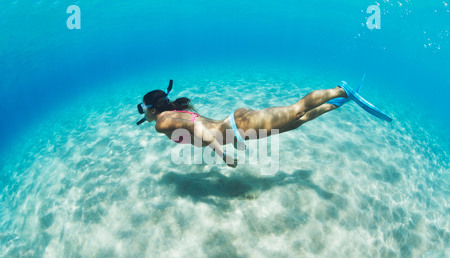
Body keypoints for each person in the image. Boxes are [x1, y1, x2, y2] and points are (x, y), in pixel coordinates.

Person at [136, 78, 391, 168]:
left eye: (142, 107)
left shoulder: (162, 122)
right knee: (296, 122)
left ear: (153, 108)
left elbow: (198, 129)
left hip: (239, 126)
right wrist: (232, 143)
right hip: (238, 128)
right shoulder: (172, 114)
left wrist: (222, 153)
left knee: (296, 110)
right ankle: (337, 102)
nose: (142, 113)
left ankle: (339, 89)